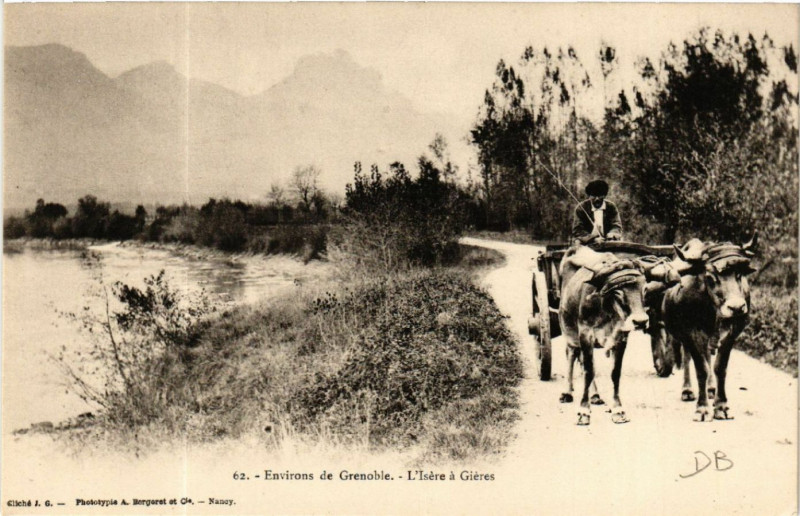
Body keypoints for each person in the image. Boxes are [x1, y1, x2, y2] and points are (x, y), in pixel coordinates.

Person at [571, 179, 622, 246]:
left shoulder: (611, 207)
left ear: (604, 195)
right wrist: (593, 239)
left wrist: (612, 234)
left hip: (607, 241)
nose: (597, 199)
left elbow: (616, 225)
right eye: (594, 196)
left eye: (600, 195)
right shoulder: (581, 208)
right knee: (577, 245)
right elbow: (577, 230)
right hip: (586, 242)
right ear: (589, 196)